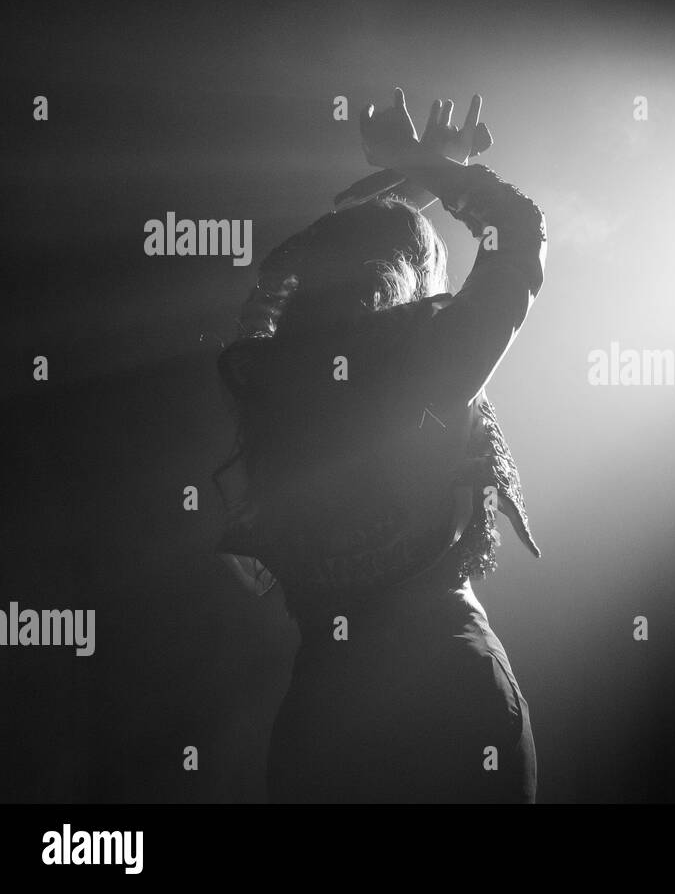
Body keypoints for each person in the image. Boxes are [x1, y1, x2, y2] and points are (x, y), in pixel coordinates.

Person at [213, 87, 546, 802]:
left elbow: (278, 280)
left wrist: (407, 196)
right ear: (417, 283)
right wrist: (428, 169)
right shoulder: (433, 371)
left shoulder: (268, 384)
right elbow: (519, 229)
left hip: (324, 719)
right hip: (451, 698)